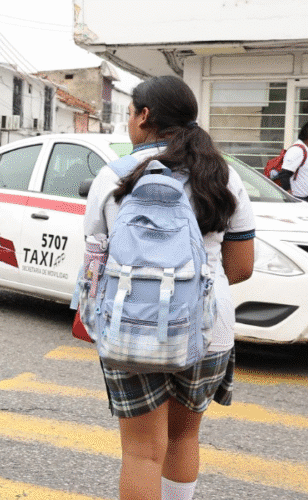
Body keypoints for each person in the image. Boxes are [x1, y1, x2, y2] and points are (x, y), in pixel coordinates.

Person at [82, 75, 255, 500]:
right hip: (208, 330)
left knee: (141, 454)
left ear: (144, 117)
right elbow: (242, 267)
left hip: (130, 329)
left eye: (129, 114)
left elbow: (93, 270)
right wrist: (188, 291)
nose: (128, 122)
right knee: (182, 439)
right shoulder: (223, 176)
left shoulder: (113, 177)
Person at [272, 121, 308, 200]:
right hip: (298, 198)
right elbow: (284, 174)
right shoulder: (298, 150)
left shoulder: (305, 149)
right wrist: (289, 196)